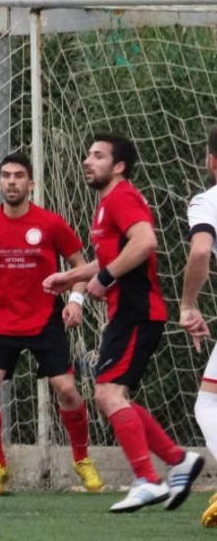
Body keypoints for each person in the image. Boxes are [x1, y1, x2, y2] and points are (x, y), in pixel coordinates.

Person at [43, 133, 203, 513]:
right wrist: (71, 278)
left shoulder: (121, 196)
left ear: (118, 166)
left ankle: (148, 478)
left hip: (137, 311)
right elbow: (117, 254)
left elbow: (145, 241)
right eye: (87, 154)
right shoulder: (106, 204)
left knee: (107, 396)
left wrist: (106, 277)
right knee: (113, 397)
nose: (87, 160)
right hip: (128, 312)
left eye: (98, 156)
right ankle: (178, 460)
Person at [0, 152, 102, 496]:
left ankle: (81, 459)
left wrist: (76, 301)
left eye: (19, 175)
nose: (11, 181)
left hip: (45, 320)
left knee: (65, 389)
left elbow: (80, 265)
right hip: (1, 322)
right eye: (5, 175)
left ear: (31, 184)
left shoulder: (50, 223)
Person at [177, 124, 217, 528]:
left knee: (208, 403)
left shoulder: (208, 201)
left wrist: (188, 305)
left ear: (210, 161)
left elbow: (201, 249)